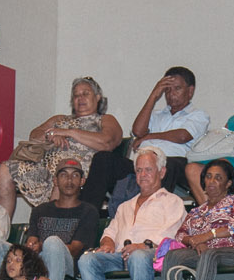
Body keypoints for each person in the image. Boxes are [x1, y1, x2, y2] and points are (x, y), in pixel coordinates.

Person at [0, 76, 123, 215]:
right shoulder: (60, 119)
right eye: (76, 95)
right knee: (3, 171)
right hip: (44, 171)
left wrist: (68, 132)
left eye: (85, 93)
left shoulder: (104, 119)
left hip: (79, 172)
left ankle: (49, 224)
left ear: (97, 97)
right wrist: (51, 135)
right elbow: (34, 135)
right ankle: (1, 225)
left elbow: (107, 142)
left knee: (63, 173)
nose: (80, 98)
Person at [85, 67, 209, 207]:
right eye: (167, 90)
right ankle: (86, 213)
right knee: (103, 158)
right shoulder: (156, 114)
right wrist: (153, 96)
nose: (171, 94)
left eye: (177, 88)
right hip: (142, 164)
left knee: (167, 164)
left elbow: (183, 136)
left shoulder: (198, 115)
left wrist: (149, 136)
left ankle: (151, 212)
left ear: (190, 91)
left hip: (174, 164)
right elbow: (138, 131)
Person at [0, 157, 100, 280]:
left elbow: (75, 249)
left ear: (82, 181)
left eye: (75, 175)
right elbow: (32, 240)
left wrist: (43, 245)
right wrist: (32, 245)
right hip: (38, 260)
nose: (69, 180)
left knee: (52, 242)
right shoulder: (40, 210)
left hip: (67, 262)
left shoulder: (88, 211)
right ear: (55, 181)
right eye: (64, 175)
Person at [78, 146, 187, 280]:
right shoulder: (124, 206)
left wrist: (143, 245)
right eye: (139, 170)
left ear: (161, 172)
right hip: (121, 256)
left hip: (153, 255)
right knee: (86, 260)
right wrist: (108, 243)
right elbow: (110, 232)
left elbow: (171, 233)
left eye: (148, 170)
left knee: (138, 256)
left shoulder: (172, 201)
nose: (143, 175)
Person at [162, 159, 234, 280]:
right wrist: (195, 242)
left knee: (209, 254)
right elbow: (180, 235)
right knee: (172, 255)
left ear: (228, 183)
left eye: (218, 178)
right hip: (204, 252)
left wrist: (205, 237)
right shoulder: (197, 211)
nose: (212, 181)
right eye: (208, 176)